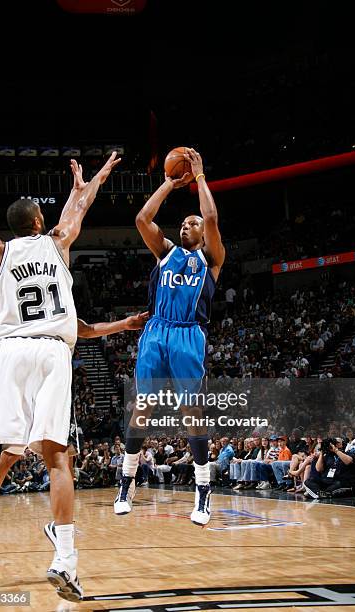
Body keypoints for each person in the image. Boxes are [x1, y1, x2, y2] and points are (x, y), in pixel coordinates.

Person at [0, 152, 120, 601]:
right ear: (38, 219)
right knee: (57, 459)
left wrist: (83, 187)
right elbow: (81, 207)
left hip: (9, 351)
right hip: (53, 352)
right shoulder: (58, 240)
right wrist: (97, 177)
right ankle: (65, 560)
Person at [0, 311, 148, 592]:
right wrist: (123, 325)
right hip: (43, 362)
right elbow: (83, 329)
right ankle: (60, 542)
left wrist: (122, 325)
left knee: (6, 457)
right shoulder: (51, 288)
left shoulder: (17, 299)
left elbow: (82, 328)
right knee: (59, 456)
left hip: (12, 361)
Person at [114, 148, 225, 525]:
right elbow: (142, 218)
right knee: (142, 408)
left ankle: (203, 490)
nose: (186, 226)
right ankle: (126, 481)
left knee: (192, 414)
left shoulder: (210, 260)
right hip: (157, 330)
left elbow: (210, 215)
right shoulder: (165, 253)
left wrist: (200, 178)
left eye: (191, 224)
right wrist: (168, 183)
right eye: (183, 224)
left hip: (189, 336)